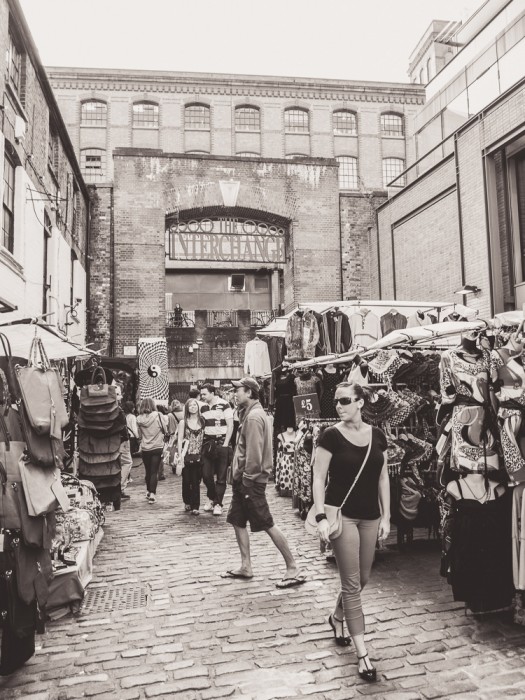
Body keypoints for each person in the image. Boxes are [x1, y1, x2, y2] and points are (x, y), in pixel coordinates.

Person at [312, 381, 390, 683]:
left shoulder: (378, 435)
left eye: (345, 400)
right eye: (336, 401)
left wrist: (386, 517)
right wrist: (320, 516)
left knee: (364, 578)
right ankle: (362, 654)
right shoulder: (329, 435)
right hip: (341, 517)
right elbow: (318, 477)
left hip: (371, 516)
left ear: (360, 402)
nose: (339, 406)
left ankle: (336, 616)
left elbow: (383, 478)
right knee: (352, 583)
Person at [223, 377, 306, 588]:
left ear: (249, 392)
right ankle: (246, 565)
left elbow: (254, 453)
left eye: (238, 390)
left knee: (267, 523)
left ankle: (293, 567)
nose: (235, 394)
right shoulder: (252, 413)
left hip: (250, 481)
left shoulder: (253, 417)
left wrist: (248, 480)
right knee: (237, 520)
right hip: (245, 480)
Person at [200, 383, 234, 516]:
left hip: (221, 442)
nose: (202, 396)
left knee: (221, 477)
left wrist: (225, 444)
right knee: (206, 475)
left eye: (204, 394)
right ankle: (213, 498)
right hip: (208, 444)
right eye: (201, 394)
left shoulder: (224, 404)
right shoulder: (202, 407)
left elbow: (230, 425)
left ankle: (218, 503)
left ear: (212, 393)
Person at [137, 398, 169, 503]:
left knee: (148, 471)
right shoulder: (158, 415)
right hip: (157, 446)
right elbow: (165, 429)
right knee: (154, 471)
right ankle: (152, 493)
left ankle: (148, 490)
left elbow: (139, 434)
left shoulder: (139, 418)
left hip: (145, 447)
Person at [177, 399, 205, 514]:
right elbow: (179, 440)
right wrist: (180, 456)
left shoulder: (202, 421)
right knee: (186, 480)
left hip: (199, 455)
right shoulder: (183, 422)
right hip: (187, 454)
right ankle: (187, 501)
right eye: (190, 405)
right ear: (187, 408)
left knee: (196, 481)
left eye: (195, 405)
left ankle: (195, 506)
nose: (193, 407)